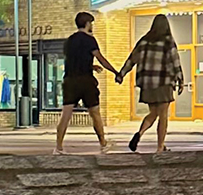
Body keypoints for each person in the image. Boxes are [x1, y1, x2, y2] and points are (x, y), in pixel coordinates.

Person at [117, 14, 185, 153]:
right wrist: (180, 79)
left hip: (147, 84)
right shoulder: (167, 41)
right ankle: (160, 146)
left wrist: (121, 74)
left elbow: (132, 59)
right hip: (163, 82)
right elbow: (174, 61)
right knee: (163, 115)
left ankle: (140, 133)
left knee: (153, 113)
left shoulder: (144, 41)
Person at [55, 11, 119, 154]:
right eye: (91, 23)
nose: (92, 26)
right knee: (94, 112)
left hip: (70, 80)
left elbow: (74, 61)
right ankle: (103, 144)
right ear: (87, 24)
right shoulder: (90, 40)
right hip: (85, 81)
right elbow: (100, 57)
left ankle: (58, 147)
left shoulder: (69, 41)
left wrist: (92, 66)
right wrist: (115, 72)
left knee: (65, 114)